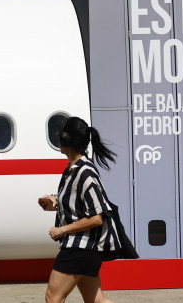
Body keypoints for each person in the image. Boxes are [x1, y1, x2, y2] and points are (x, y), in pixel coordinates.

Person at [38, 116, 120, 303]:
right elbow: (81, 206)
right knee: (96, 299)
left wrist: (62, 229)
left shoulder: (85, 173)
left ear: (66, 139)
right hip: (84, 249)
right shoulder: (73, 169)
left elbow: (96, 218)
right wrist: (56, 202)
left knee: (53, 298)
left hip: (79, 247)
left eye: (59, 135)